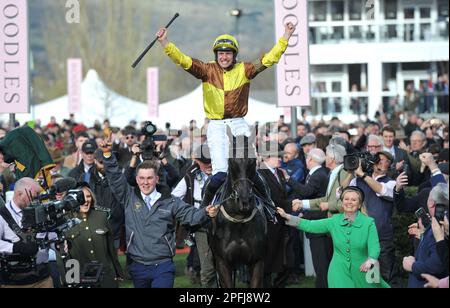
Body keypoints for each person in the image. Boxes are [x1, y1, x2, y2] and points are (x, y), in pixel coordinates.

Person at [156, 22, 296, 214]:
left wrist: (286, 36)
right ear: (216, 55)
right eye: (220, 53)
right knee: (220, 173)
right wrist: (165, 43)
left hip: (239, 124)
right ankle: (202, 214)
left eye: (228, 53)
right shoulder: (206, 70)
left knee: (250, 171)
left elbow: (269, 59)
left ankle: (270, 209)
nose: (224, 57)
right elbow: (183, 60)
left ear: (234, 55)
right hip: (216, 126)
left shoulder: (245, 69)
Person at [99, 136, 217, 288]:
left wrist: (206, 212)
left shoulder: (170, 200)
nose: (145, 182)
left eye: (149, 178)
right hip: (138, 265)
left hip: (163, 265)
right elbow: (115, 178)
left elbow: (190, 215)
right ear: (136, 179)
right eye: (141, 178)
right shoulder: (128, 196)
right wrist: (107, 155)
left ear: (157, 179)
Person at [277, 186, 390, 288]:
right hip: (338, 271)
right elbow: (310, 225)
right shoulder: (334, 221)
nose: (349, 202)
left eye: (353, 200)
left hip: (365, 269)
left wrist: (371, 260)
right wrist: (288, 217)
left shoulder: (368, 223)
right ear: (342, 202)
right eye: (346, 199)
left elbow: (374, 246)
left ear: (359, 204)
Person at [171, 144, 217, 288]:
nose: (209, 164)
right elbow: (174, 197)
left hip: (224, 224)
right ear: (196, 160)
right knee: (208, 268)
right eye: (205, 161)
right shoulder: (189, 176)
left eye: (211, 160)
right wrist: (189, 212)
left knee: (226, 265)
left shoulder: (223, 173)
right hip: (202, 225)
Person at [60, 184, 123, 288]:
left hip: (106, 276)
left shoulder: (101, 216)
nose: (86, 200)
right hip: (81, 278)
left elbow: (111, 249)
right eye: (82, 197)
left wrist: (117, 271)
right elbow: (64, 256)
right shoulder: (66, 221)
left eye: (88, 196)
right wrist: (70, 280)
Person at [0, 178, 53, 288]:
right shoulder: (2, 215)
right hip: (14, 281)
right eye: (34, 196)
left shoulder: (40, 211)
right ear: (19, 194)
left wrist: (56, 243)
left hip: (43, 279)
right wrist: (15, 247)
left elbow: (48, 235)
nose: (37, 200)